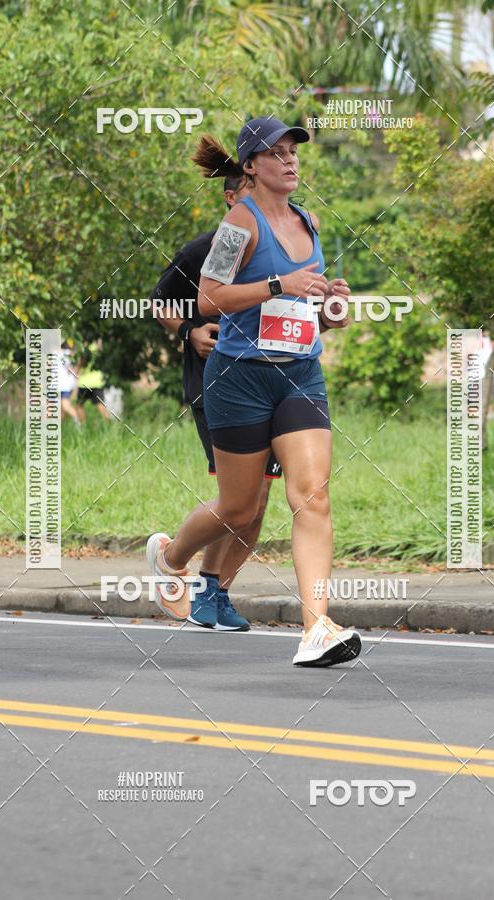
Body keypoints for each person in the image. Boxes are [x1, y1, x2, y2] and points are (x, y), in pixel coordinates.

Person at [147, 115, 361, 667]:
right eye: (277, 153)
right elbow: (209, 298)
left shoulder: (308, 221)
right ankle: (172, 558)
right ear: (251, 166)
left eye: (294, 152)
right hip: (238, 378)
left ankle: (316, 629)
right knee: (238, 507)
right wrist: (278, 283)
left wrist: (330, 307)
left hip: (300, 374)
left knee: (312, 494)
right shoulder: (238, 225)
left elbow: (306, 307)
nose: (290, 161)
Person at [150, 176, 282, 632]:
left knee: (259, 500)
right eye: (252, 189)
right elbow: (159, 302)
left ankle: (215, 593)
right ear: (231, 198)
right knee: (238, 499)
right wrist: (189, 331)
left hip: (275, 384)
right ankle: (171, 560)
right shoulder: (207, 249)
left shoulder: (284, 247)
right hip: (218, 385)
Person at [58, 343, 82, 426]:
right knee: (62, 408)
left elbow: (69, 368)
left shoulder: (62, 353)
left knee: (65, 405)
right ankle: (62, 426)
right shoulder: (68, 354)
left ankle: (77, 422)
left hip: (63, 385)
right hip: (65, 384)